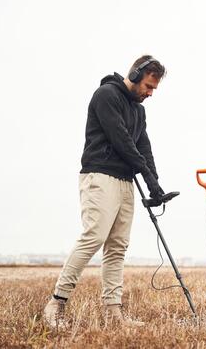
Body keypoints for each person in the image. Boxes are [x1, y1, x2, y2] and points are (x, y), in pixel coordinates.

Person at [43, 55, 166, 328]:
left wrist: (154, 182)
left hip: (124, 181)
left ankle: (114, 313)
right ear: (134, 76)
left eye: (154, 89)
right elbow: (121, 140)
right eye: (148, 86)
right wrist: (145, 174)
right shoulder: (106, 95)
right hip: (100, 175)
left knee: (117, 247)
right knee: (94, 236)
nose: (150, 93)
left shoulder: (139, 110)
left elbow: (143, 147)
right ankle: (56, 303)